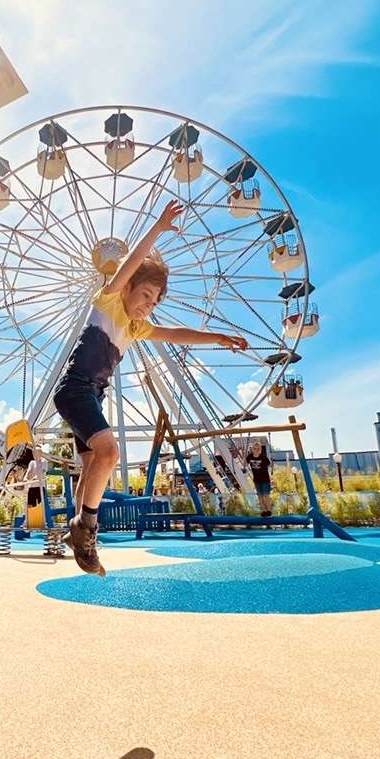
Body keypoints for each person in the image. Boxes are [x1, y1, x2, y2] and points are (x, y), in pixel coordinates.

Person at [53, 200, 249, 574]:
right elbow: (132, 264)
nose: (149, 305)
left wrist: (218, 337)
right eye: (145, 294)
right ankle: (86, 529)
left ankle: (76, 529)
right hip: (75, 388)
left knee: (93, 464)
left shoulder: (136, 328)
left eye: (156, 301)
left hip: (92, 393)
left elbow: (176, 333)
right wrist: (158, 227)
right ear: (127, 288)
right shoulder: (109, 302)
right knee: (109, 453)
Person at [245, 441, 272, 517]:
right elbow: (245, 463)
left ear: (260, 450)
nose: (256, 450)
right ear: (252, 449)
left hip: (265, 479)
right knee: (260, 496)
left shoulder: (263, 457)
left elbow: (269, 464)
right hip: (256, 480)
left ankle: (269, 510)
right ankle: (263, 510)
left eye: (258, 449)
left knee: (266, 495)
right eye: (254, 449)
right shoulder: (249, 457)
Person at [24, 446, 48, 519]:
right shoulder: (32, 462)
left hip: (40, 486)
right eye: (33, 453)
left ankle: (42, 519)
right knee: (30, 504)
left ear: (40, 453)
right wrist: (25, 477)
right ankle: (30, 519)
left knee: (41, 504)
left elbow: (42, 472)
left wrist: (36, 477)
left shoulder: (44, 461)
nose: (34, 454)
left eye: (35, 453)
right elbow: (28, 471)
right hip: (32, 486)